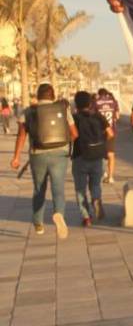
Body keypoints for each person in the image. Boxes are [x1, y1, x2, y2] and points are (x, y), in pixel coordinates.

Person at [10, 83, 78, 238]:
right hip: (60, 154)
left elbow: (21, 135)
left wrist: (16, 157)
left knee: (39, 189)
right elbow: (74, 133)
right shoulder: (63, 109)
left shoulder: (28, 111)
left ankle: (38, 223)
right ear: (52, 95)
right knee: (58, 188)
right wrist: (64, 143)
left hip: (37, 154)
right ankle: (59, 214)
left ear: (37, 95)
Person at [72, 91, 113, 227]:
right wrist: (102, 143)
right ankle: (96, 198)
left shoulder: (74, 118)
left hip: (80, 156)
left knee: (80, 189)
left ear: (76, 104)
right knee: (95, 184)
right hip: (97, 156)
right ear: (90, 103)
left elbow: (72, 135)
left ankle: (86, 217)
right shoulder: (98, 116)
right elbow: (110, 133)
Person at [94, 88, 119, 183]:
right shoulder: (114, 102)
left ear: (99, 94)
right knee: (111, 154)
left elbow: (92, 115)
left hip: (99, 132)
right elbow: (117, 116)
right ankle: (111, 177)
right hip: (111, 131)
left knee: (99, 153)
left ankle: (103, 172)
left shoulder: (96, 102)